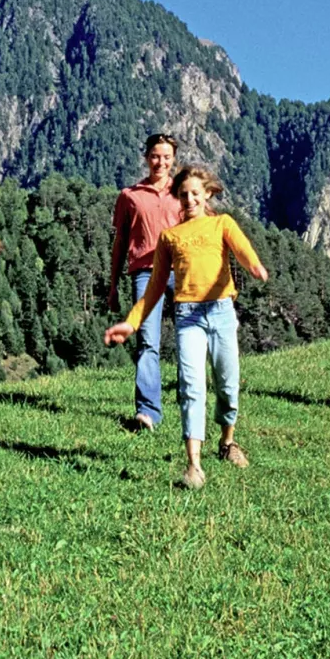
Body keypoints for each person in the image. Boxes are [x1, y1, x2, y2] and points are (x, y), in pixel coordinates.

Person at [104, 165, 268, 490]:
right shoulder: (170, 237)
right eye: (183, 194)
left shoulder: (222, 223)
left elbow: (242, 248)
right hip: (188, 316)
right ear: (177, 198)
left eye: (195, 193)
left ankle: (227, 442)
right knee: (192, 388)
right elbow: (153, 289)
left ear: (208, 193)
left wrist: (254, 266)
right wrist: (131, 323)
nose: (189, 199)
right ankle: (193, 465)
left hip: (221, 312)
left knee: (228, 385)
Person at [107, 134, 185, 431]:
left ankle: (189, 400)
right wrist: (113, 284)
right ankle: (148, 411)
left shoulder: (183, 193)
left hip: (181, 272)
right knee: (147, 341)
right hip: (144, 273)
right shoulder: (130, 195)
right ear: (146, 157)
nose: (160, 162)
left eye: (166, 157)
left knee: (187, 340)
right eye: (155, 156)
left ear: (173, 159)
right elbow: (120, 242)